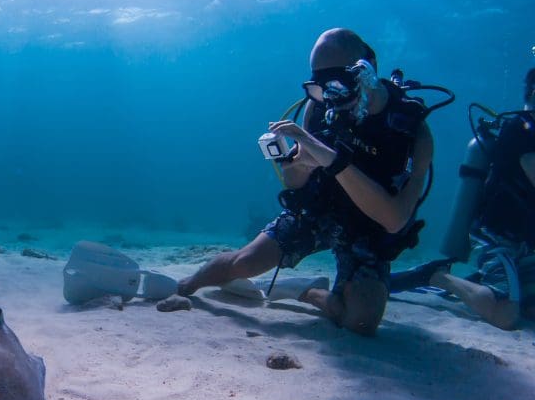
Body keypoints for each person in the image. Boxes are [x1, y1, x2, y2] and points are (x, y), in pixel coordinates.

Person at [164, 28, 434, 336]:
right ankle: (185, 284)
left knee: (360, 321)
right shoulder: (319, 109)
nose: (327, 98)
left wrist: (329, 159)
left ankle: (307, 292)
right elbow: (294, 184)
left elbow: (395, 220)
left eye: (335, 85)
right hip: (319, 209)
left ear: (365, 72)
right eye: (318, 87)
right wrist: (298, 164)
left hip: (369, 228)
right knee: (243, 264)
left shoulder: (411, 131)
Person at [388, 68, 535, 330]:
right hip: (499, 238)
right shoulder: (521, 129)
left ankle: (480, 281)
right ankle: (437, 277)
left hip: (527, 244)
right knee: (506, 314)